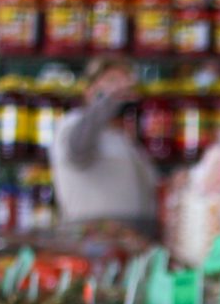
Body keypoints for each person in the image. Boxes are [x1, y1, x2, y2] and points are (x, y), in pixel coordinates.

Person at [49, 56, 156, 229]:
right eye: (112, 81)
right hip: (92, 237)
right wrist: (107, 100)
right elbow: (78, 150)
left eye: (126, 81)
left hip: (132, 238)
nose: (122, 88)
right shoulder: (73, 124)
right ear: (89, 89)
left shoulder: (123, 136)